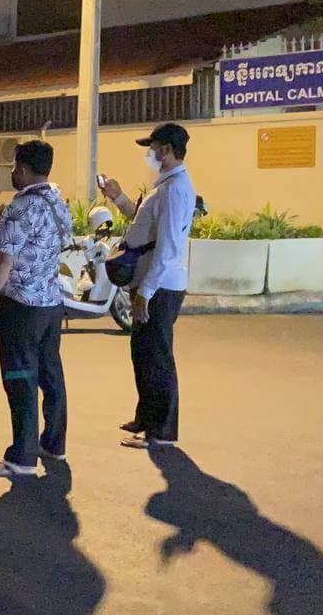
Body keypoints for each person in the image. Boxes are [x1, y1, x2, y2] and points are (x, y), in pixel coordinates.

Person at [0, 140, 72, 477]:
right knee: (51, 375)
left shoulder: (21, 207)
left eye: (15, 167)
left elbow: (3, 262)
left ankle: (22, 457)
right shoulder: (58, 202)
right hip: (51, 304)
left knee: (20, 380)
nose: (13, 173)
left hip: (22, 307)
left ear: (25, 169)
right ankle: (54, 443)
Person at [99, 123, 196, 450]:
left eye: (152, 148)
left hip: (161, 286)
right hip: (150, 282)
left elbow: (168, 247)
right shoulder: (165, 186)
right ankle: (145, 417)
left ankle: (161, 431)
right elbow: (144, 224)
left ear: (166, 150)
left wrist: (145, 292)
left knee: (157, 358)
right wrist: (118, 197)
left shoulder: (175, 190)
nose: (149, 154)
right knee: (142, 354)